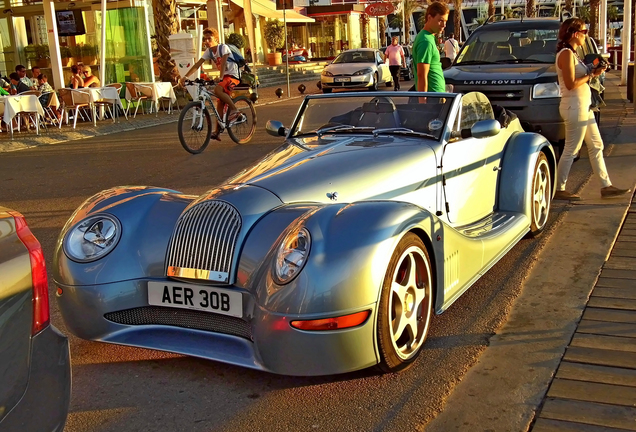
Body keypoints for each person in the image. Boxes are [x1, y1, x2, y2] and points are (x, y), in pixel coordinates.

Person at [554, 18, 631, 200]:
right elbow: (571, 84)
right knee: (572, 149)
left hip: (583, 107)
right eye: (584, 31)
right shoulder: (565, 54)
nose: (586, 35)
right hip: (574, 106)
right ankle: (559, 188)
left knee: (596, 145)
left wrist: (594, 68)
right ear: (575, 34)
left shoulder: (573, 54)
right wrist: (591, 74)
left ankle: (606, 186)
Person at [180, 27, 242, 141]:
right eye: (205, 39)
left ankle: (235, 110)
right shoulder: (209, 52)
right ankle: (218, 131)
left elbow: (223, 63)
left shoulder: (223, 47)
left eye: (209, 39)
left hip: (233, 76)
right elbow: (197, 65)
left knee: (217, 91)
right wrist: (185, 76)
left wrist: (221, 76)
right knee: (219, 103)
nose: (206, 41)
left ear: (216, 39)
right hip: (223, 77)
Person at [412, 1, 448, 97]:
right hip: (433, 98)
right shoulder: (426, 41)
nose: (444, 25)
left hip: (436, 96)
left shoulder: (428, 37)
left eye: (445, 21)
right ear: (429, 18)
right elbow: (422, 75)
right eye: (440, 20)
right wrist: (423, 102)